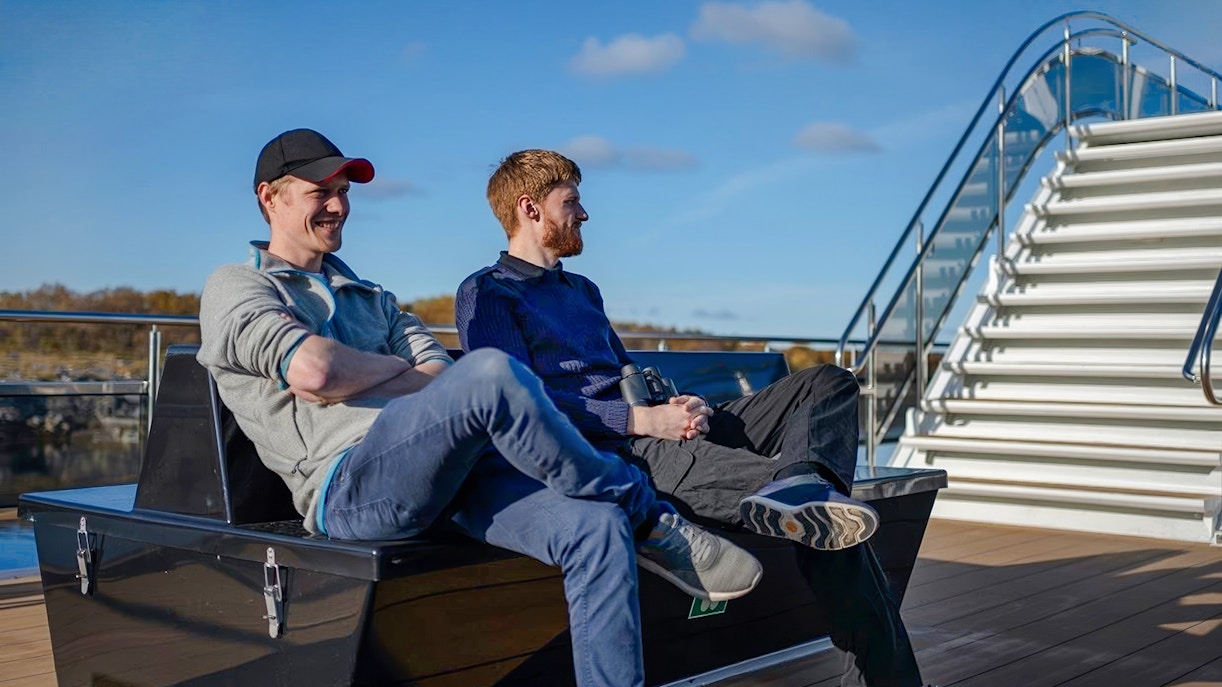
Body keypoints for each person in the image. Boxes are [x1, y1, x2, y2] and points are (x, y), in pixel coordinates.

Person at [196, 129, 763, 687]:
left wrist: (375, 377)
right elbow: (317, 372)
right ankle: (652, 518)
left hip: (454, 471)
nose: (340, 205)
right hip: (352, 483)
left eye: (345, 191)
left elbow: (438, 374)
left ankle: (629, 524)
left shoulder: (375, 299)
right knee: (491, 370)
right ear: (271, 197)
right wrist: (401, 375)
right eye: (322, 191)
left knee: (597, 528)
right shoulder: (238, 287)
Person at [455, 149, 928, 687]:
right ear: (529, 208)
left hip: (661, 430)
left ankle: (801, 485)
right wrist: (641, 422)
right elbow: (517, 403)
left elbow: (622, 370)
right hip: (622, 454)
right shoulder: (488, 292)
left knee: (828, 383)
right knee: (828, 521)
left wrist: (681, 405)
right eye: (572, 201)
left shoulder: (582, 290)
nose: (584, 213)